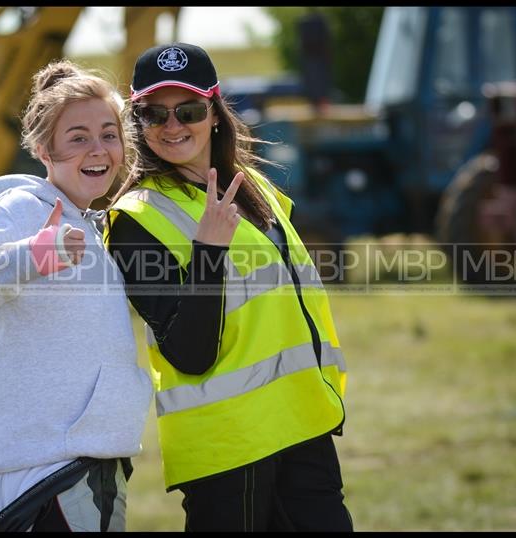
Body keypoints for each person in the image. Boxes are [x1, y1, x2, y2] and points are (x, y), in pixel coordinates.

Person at [104, 43, 352, 532]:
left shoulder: (256, 188)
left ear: (215, 113)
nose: (173, 126)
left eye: (189, 110)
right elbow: (189, 353)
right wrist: (208, 252)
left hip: (304, 425)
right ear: (138, 121)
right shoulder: (136, 219)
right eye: (155, 114)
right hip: (228, 449)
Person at [0, 60, 153, 532]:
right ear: (43, 149)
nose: (98, 149)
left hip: (84, 462)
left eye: (109, 134)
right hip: (47, 470)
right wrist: (35, 253)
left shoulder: (87, 224)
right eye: (78, 137)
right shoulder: (24, 209)